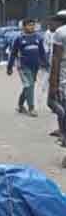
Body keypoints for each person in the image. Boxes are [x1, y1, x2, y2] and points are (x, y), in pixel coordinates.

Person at [8, 17, 47, 116]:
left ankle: (20, 105)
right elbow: (13, 53)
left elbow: (42, 52)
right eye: (29, 25)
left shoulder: (38, 37)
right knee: (29, 85)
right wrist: (9, 67)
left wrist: (46, 64)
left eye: (33, 25)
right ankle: (31, 108)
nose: (32, 27)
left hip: (35, 66)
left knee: (28, 86)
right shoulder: (19, 38)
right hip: (23, 66)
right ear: (24, 27)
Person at [48, 11, 66, 149]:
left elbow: (56, 59)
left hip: (63, 80)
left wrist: (53, 83)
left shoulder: (60, 32)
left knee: (56, 105)